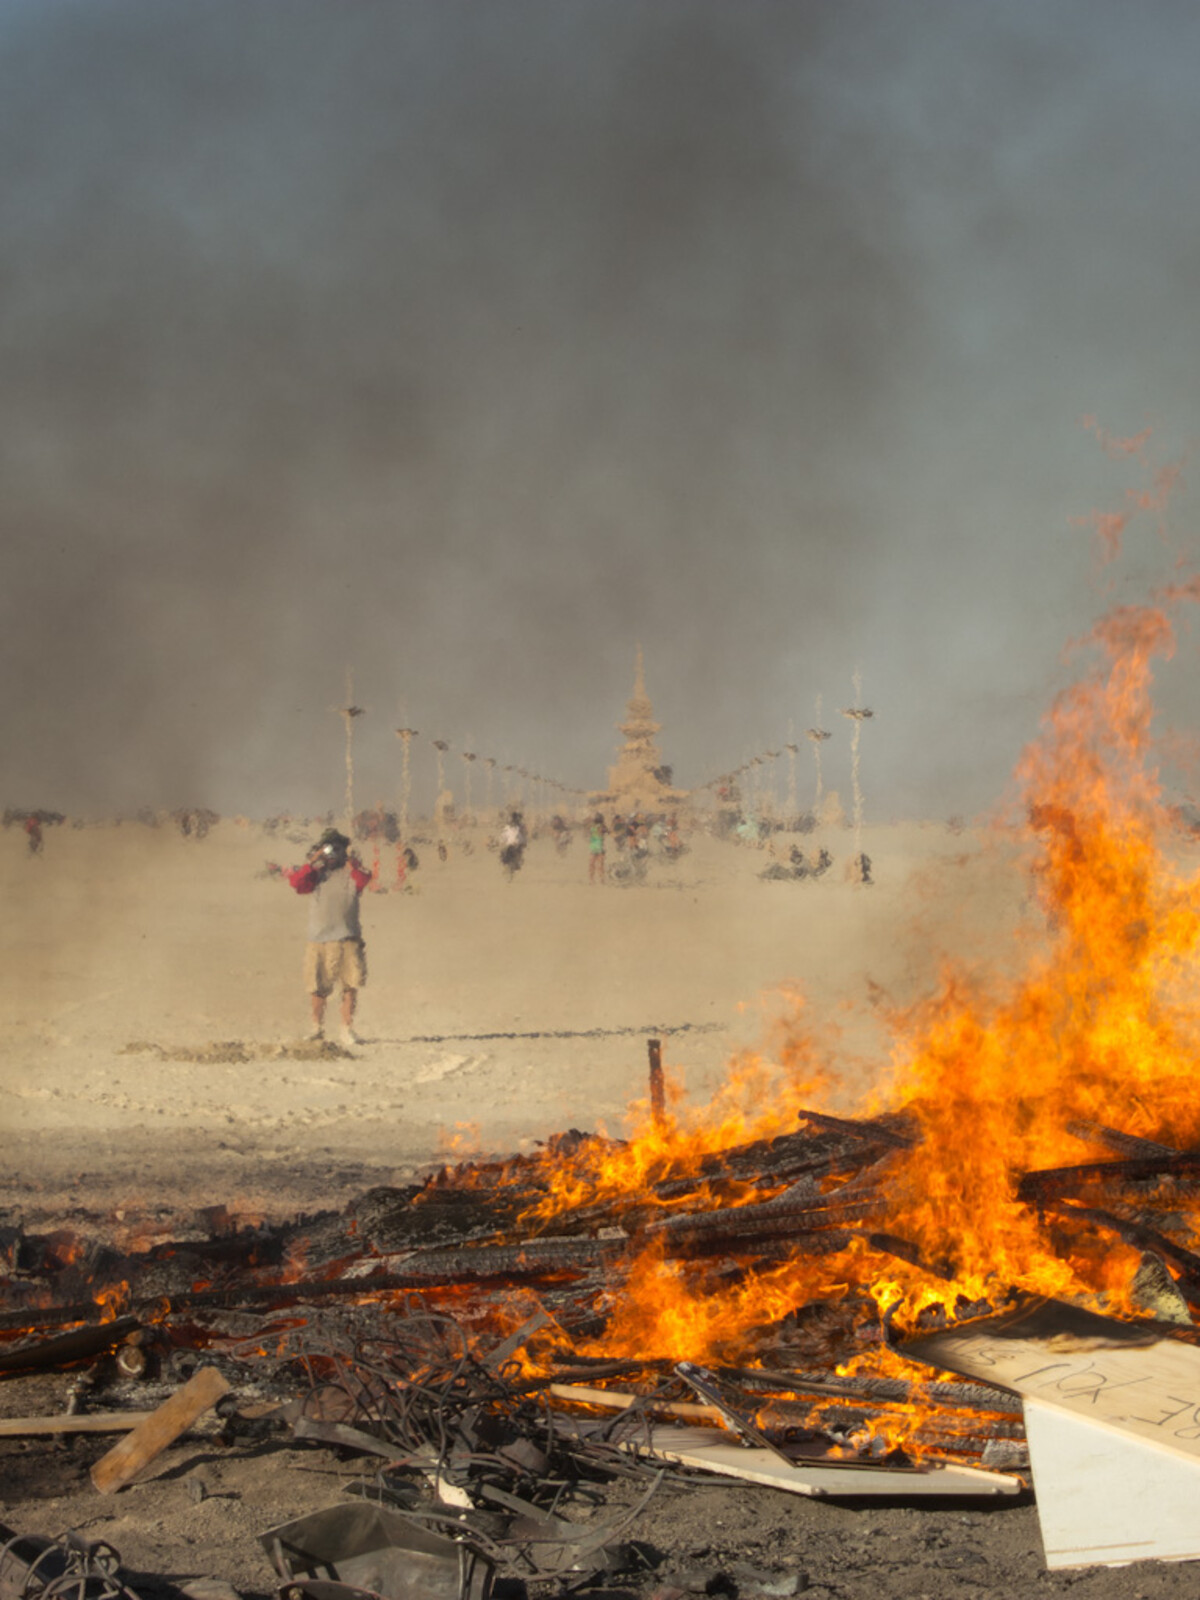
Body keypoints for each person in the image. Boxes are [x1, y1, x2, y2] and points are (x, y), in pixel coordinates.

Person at [286, 827, 371, 1045]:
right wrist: (314, 860)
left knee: (350, 985)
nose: (333, 854)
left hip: (348, 938)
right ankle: (316, 1028)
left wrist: (351, 860)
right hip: (319, 939)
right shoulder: (315, 875)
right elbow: (297, 884)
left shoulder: (352, 873)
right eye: (329, 848)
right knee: (317, 988)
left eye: (337, 849)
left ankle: (347, 1029)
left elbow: (363, 879)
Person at [588, 813, 608, 884]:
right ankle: (601, 880)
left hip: (594, 847)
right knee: (600, 865)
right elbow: (606, 831)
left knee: (592, 865)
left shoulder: (592, 826)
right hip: (599, 847)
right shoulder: (602, 826)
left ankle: (592, 880)